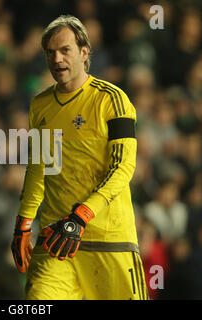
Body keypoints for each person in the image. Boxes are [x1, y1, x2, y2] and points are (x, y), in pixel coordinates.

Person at [11, 15, 148, 300]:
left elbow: (123, 167)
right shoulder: (40, 105)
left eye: (65, 50)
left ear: (84, 52)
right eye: (50, 52)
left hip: (109, 240)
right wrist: (24, 222)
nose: (56, 59)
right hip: (56, 240)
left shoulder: (113, 100)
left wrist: (81, 216)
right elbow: (39, 168)